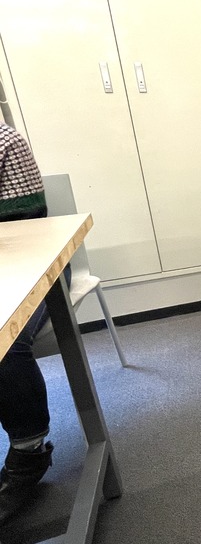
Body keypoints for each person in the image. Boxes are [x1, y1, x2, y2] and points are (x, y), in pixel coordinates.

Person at [0, 122, 67, 525]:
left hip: (29, 263)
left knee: (3, 342)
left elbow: (25, 228)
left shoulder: (4, 141)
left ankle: (28, 453)